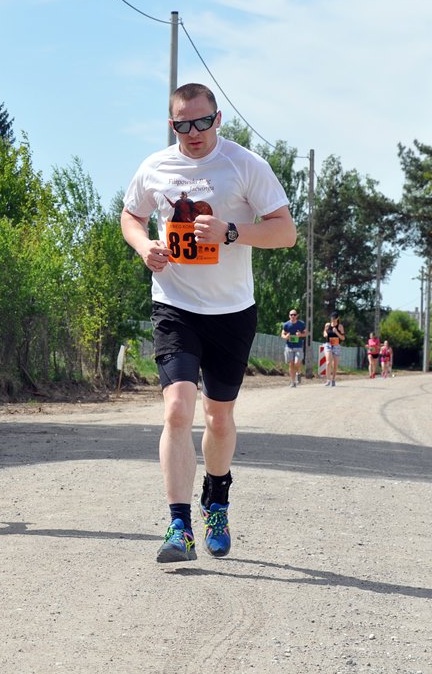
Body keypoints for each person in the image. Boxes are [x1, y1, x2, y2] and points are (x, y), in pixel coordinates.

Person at [120, 82, 296, 563]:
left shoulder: (245, 164)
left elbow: (285, 231)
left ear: (217, 119)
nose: (193, 132)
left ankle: (216, 500)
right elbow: (130, 216)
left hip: (231, 312)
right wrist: (144, 246)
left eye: (202, 122)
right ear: (171, 124)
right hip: (175, 306)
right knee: (177, 410)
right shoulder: (155, 167)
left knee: (218, 418)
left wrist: (232, 231)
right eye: (183, 125)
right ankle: (179, 526)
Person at [281, 308, 307, 387]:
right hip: (289, 347)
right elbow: (282, 334)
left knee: (297, 363)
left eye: (294, 315)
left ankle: (298, 373)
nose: (293, 316)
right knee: (291, 364)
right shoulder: (286, 325)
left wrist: (300, 335)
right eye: (291, 315)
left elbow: (306, 333)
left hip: (298, 347)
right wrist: (286, 337)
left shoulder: (301, 324)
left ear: (297, 316)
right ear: (289, 316)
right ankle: (293, 382)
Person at [323, 312, 346, 387]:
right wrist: (325, 333)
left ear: (337, 318)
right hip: (328, 344)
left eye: (334, 318)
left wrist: (336, 332)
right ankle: (328, 380)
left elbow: (343, 338)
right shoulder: (327, 325)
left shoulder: (340, 326)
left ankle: (333, 379)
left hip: (336, 345)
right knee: (328, 362)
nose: (333, 320)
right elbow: (324, 332)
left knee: (335, 364)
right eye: (332, 318)